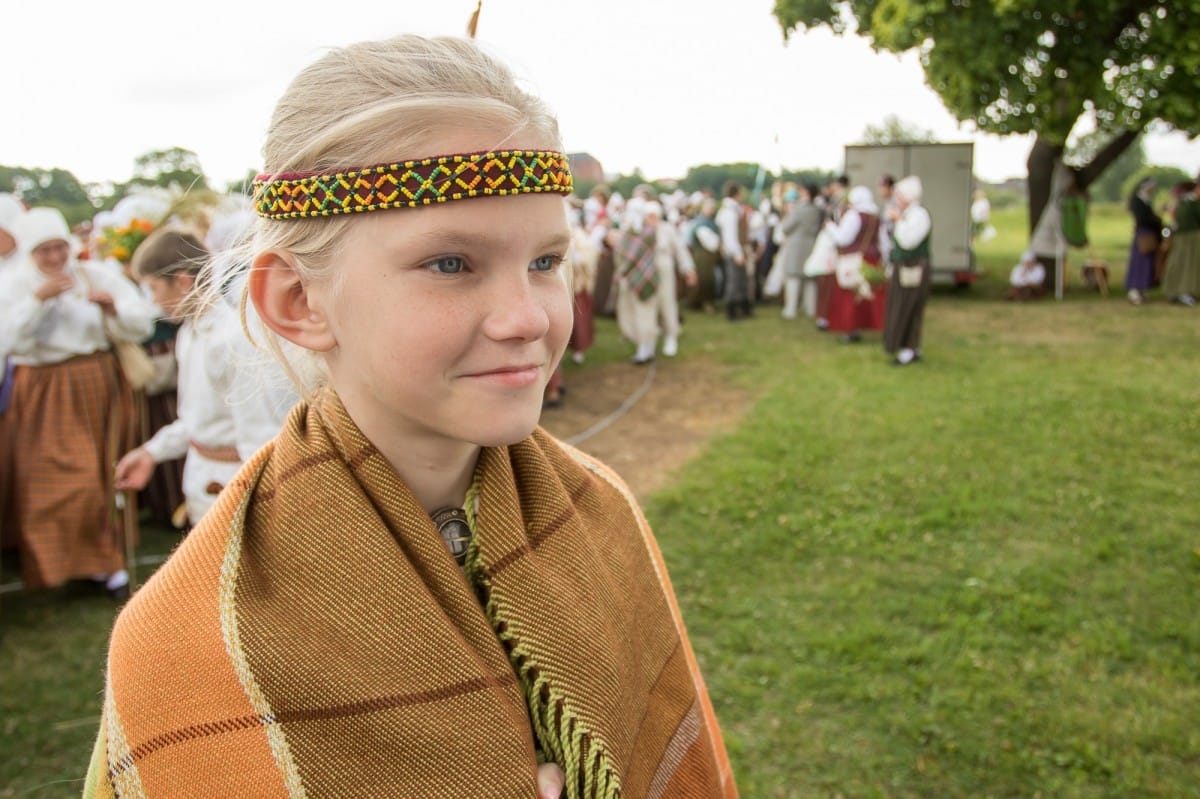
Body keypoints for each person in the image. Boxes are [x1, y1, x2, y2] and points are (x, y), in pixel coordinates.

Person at [84, 34, 738, 799]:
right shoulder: (188, 641)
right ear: (299, 301)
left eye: (546, 261)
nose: (527, 316)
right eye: (451, 263)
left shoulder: (602, 513)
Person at [0, 207, 158, 598]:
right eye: (44, 252)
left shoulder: (96, 273)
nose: (54, 259)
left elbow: (143, 322)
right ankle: (62, 563)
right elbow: (7, 343)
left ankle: (106, 564)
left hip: (96, 382)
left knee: (102, 472)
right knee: (61, 477)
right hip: (41, 390)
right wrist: (37, 301)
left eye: (59, 248)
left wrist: (112, 309)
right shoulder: (14, 285)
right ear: (31, 254)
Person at [113, 228, 289, 526]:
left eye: (153, 289)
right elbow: (196, 420)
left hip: (236, 487)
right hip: (201, 478)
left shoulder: (235, 338)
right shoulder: (188, 334)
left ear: (182, 281)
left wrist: (256, 504)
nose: (153, 302)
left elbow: (262, 436)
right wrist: (150, 452)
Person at [824, 185, 887, 343]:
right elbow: (884, 242)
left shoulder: (854, 215)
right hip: (871, 260)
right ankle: (870, 325)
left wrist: (830, 227)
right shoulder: (875, 216)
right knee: (868, 295)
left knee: (850, 296)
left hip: (853, 260)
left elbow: (843, 238)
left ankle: (851, 329)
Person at [882, 176, 932, 366]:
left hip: (913, 268)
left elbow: (908, 241)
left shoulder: (919, 214)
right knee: (902, 305)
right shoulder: (909, 214)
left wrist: (898, 220)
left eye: (899, 195)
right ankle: (909, 346)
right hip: (904, 267)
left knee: (907, 305)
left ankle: (908, 349)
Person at [776, 183, 823, 321]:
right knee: (810, 279)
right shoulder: (817, 210)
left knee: (793, 278)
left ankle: (790, 309)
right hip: (811, 245)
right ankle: (811, 309)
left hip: (796, 247)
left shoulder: (799, 210)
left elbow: (786, 227)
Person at [716, 180, 753, 321]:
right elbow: (730, 236)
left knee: (740, 281)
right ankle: (732, 312)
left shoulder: (730, 210)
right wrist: (737, 253)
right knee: (734, 281)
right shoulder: (729, 212)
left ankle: (743, 308)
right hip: (734, 251)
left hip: (735, 250)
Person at [1160, 179, 1199, 307]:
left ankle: (1178, 291)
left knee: (1180, 264)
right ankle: (1182, 291)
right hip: (1188, 238)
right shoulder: (1190, 203)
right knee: (1185, 265)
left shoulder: (1182, 203)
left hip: (1184, 237)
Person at [1125, 177, 1163, 306]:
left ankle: (1142, 289)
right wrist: (1156, 220)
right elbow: (1142, 219)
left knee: (1147, 262)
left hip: (1149, 232)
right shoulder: (1138, 201)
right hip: (1143, 234)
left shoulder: (1145, 201)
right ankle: (1134, 289)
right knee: (1139, 262)